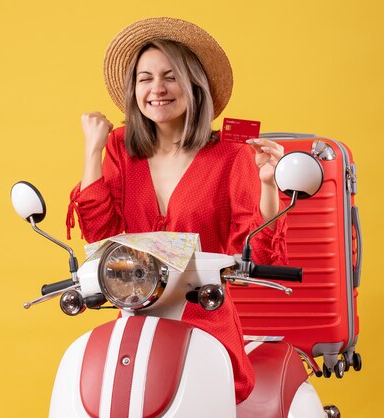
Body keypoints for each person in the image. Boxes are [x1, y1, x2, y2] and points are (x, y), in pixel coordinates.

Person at [65, 17, 287, 404]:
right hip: (136, 320)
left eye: (170, 76)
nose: (157, 89)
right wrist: (92, 152)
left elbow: (257, 251)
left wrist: (268, 183)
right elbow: (100, 236)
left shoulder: (232, 155)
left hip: (204, 321)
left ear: (193, 84)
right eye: (144, 78)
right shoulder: (119, 147)